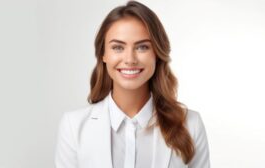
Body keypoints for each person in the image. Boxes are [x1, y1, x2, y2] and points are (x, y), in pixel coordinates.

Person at [54, 1, 210, 168]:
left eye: (142, 47)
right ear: (103, 55)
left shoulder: (190, 124)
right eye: (118, 47)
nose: (130, 59)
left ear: (157, 54)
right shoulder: (73, 126)